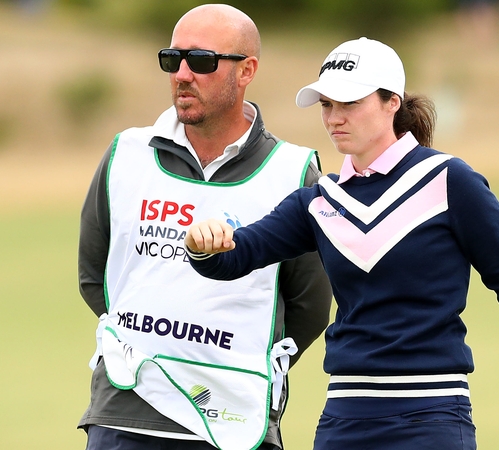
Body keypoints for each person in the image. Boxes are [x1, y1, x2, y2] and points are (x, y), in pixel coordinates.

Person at [184, 37, 499, 450]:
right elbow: (233, 258)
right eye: (326, 105)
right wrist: (203, 244)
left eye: (349, 103)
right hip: (345, 417)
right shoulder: (320, 200)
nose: (334, 118)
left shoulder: (449, 180)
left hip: (433, 414)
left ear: (391, 103)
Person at [77, 4, 333, 450]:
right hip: (126, 410)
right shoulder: (127, 153)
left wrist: (228, 360)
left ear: (246, 70)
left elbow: (309, 306)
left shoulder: (293, 171)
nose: (182, 74)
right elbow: (94, 276)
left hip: (234, 421)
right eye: (172, 59)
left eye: (201, 61)